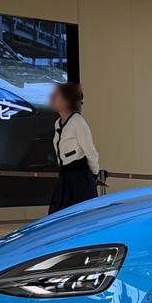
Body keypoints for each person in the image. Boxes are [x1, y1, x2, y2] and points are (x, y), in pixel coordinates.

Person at [48, 82, 100, 214]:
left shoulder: (77, 121)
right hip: (65, 178)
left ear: (66, 101)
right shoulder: (57, 123)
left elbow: (90, 152)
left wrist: (94, 174)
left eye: (56, 96)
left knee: (81, 216)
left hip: (80, 179)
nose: (52, 98)